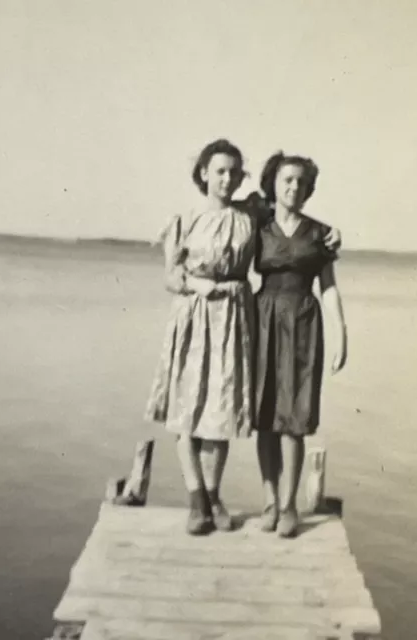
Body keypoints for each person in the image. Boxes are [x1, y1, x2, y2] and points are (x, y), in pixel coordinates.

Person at [145, 139, 342, 536]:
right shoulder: (183, 220)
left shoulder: (249, 214)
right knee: (188, 411)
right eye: (219, 171)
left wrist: (333, 234)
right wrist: (193, 284)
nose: (228, 178)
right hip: (196, 316)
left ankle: (220, 497)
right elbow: (169, 276)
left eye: (234, 172)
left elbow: (291, 208)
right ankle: (198, 499)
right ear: (203, 172)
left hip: (236, 318)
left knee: (221, 410)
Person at [254, 151, 347, 538]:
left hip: (304, 322)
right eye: (286, 180)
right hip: (262, 321)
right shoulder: (257, 227)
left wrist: (341, 330)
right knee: (264, 417)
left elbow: (328, 287)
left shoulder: (319, 233)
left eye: (299, 182)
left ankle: (291, 505)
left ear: (308, 189)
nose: (293, 187)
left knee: (294, 418)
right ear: (273, 184)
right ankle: (270, 501)